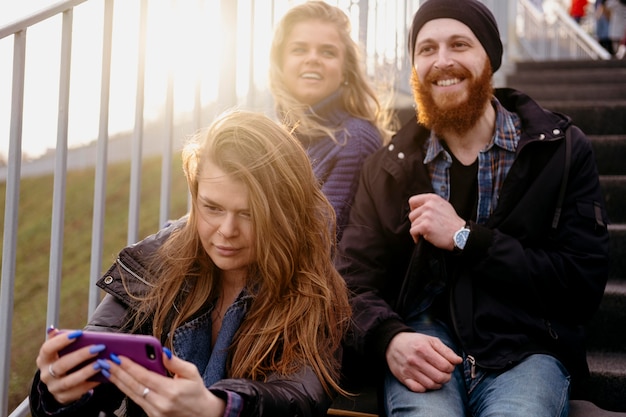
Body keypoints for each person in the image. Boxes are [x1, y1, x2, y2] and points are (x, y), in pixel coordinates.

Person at [335, 0, 610, 416]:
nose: (442, 61)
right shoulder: (387, 167)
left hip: (526, 347)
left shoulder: (562, 151)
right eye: (426, 49)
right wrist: (388, 338)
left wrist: (466, 238)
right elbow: (351, 282)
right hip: (422, 342)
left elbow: (580, 284)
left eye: (459, 44)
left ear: (490, 58)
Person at [29, 110, 352, 417]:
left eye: (249, 214)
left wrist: (218, 408)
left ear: (286, 213)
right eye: (212, 208)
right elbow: (94, 363)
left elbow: (298, 398)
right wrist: (57, 390)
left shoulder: (312, 288)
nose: (227, 231)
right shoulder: (157, 261)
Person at [269, 0, 393, 240]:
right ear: (281, 64)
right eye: (299, 49)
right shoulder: (277, 139)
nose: (313, 58)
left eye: (328, 52)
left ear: (345, 69)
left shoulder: (354, 139)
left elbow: (316, 240)